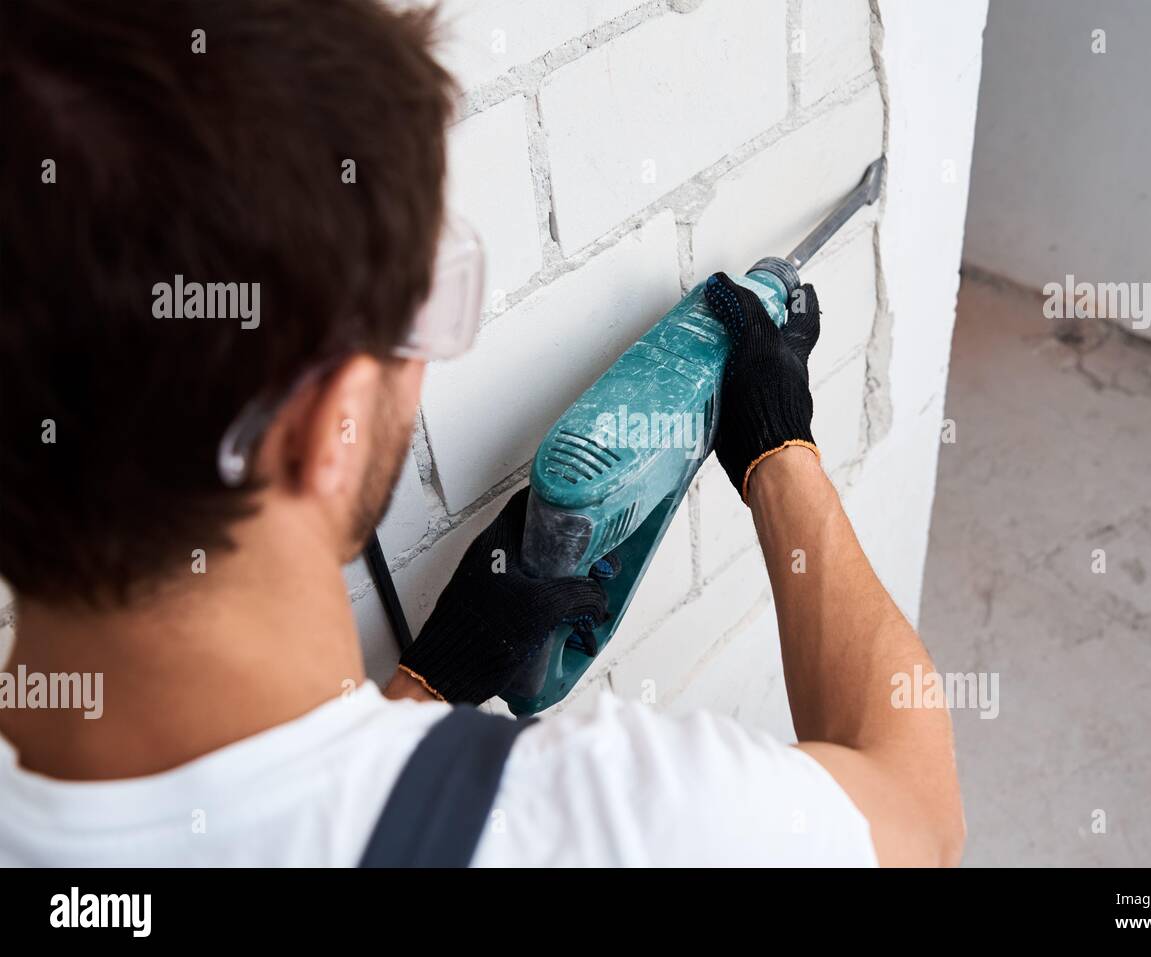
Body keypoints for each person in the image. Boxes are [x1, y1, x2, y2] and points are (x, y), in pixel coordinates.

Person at [0, 0, 962, 867]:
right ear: (323, 428)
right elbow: (919, 815)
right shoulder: (610, 825)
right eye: (420, 313)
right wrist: (779, 449)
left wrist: (424, 686)